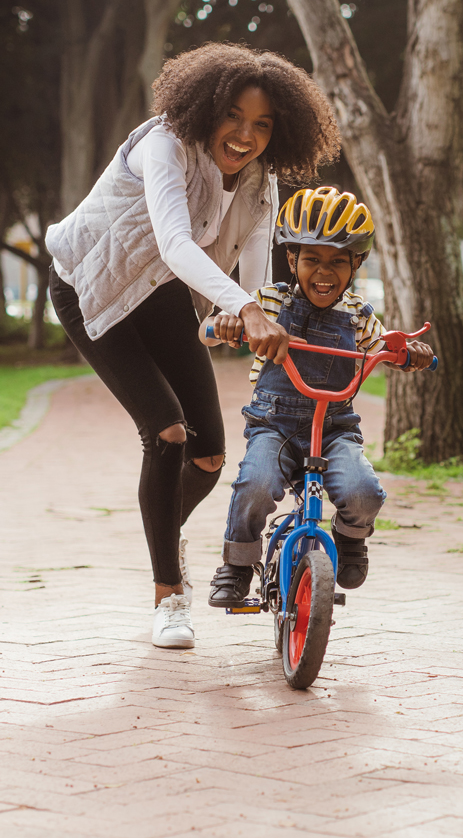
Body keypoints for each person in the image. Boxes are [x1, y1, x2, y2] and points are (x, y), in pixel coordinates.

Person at [46, 43, 340, 650]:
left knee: (208, 455)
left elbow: (257, 260)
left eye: (262, 124)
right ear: (206, 107)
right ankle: (169, 596)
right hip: (89, 288)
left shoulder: (261, 178)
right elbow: (176, 243)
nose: (244, 135)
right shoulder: (163, 144)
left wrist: (255, 309)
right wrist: (245, 308)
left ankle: (162, 531)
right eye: (233, 115)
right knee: (167, 432)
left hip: (159, 296)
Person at [201, 186, 434, 606]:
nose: (323, 272)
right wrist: (226, 325)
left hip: (334, 428)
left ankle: (350, 538)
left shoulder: (359, 315)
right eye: (311, 259)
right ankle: (237, 565)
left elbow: (386, 345)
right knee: (254, 485)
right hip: (276, 425)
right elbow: (207, 332)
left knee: (365, 491)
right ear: (292, 260)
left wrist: (408, 353)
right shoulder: (270, 302)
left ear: (356, 263)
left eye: (337, 261)